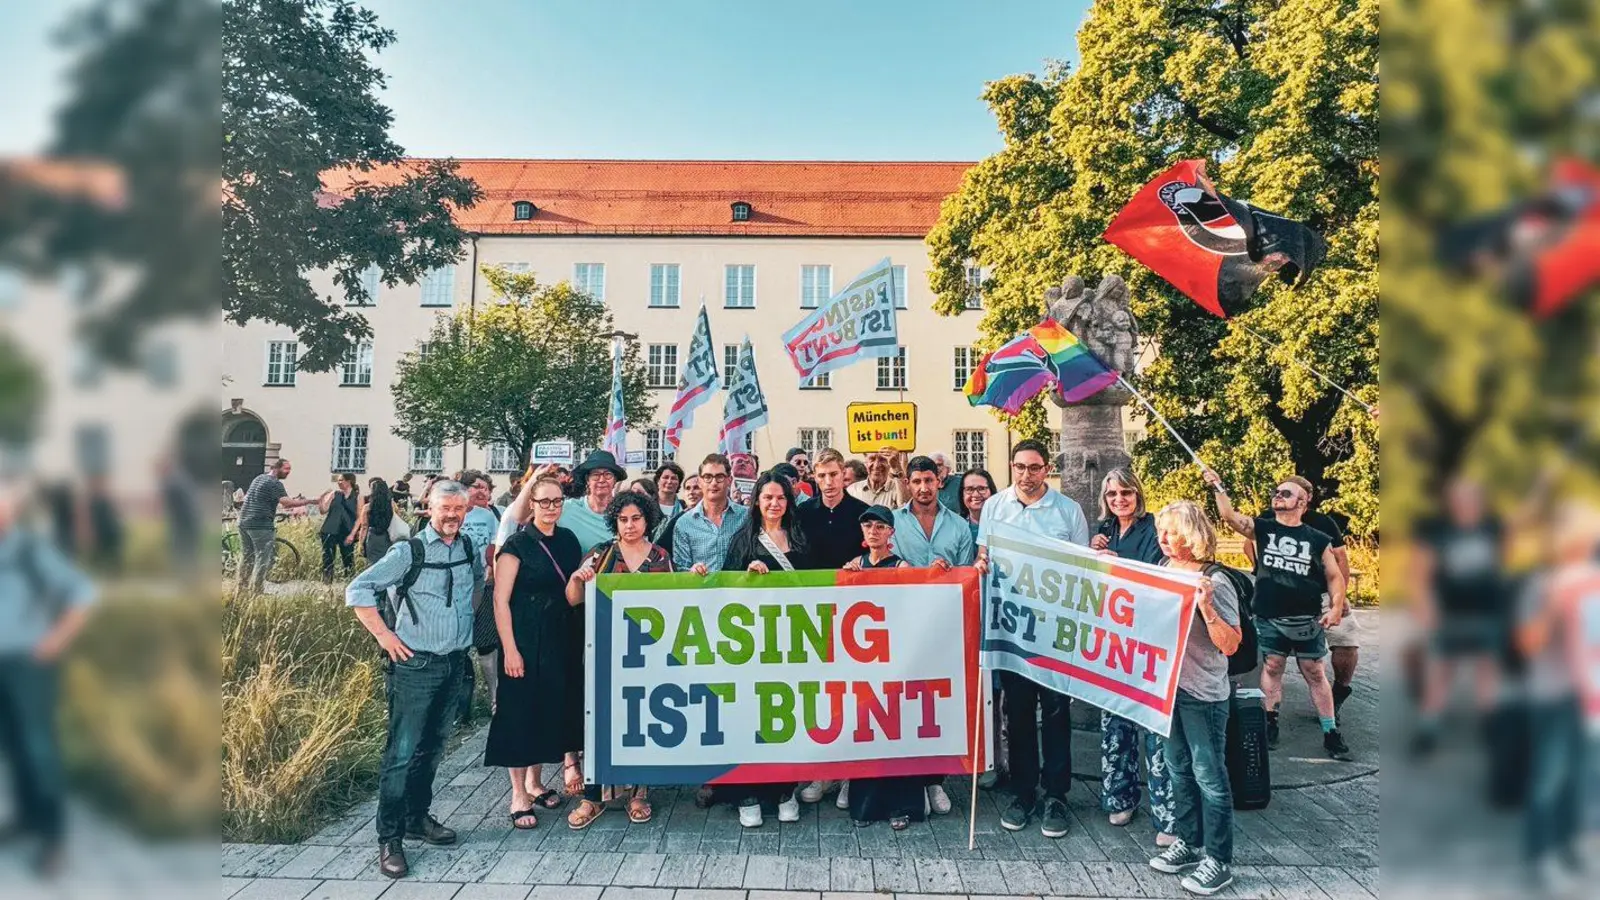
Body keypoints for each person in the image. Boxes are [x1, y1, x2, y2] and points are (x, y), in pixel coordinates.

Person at [345, 480, 485, 879]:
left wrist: (460, 629)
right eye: (446, 509)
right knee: (401, 753)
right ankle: (389, 838)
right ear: (430, 508)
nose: (453, 516)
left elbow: (475, 586)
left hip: (454, 663)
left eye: (460, 509)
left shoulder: (468, 548)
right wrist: (385, 636)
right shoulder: (409, 551)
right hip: (414, 667)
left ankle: (416, 818)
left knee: (433, 748)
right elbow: (358, 589)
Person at [974, 439, 1089, 838]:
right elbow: (984, 555)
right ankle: (1023, 792)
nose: (1027, 475)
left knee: (1056, 714)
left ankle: (1056, 794)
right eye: (1020, 467)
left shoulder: (1067, 510)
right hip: (1012, 629)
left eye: (1035, 467)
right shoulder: (995, 506)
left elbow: (1081, 568)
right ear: (1011, 467)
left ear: (1046, 469)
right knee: (1017, 714)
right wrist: (982, 563)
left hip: (1054, 631)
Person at [1203, 468, 1351, 760]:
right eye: (1276, 492)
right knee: (1272, 668)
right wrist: (1218, 486)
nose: (1278, 496)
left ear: (1303, 501)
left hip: (1306, 618)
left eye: (1286, 493)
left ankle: (1330, 731)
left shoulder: (1318, 538)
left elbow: (1334, 576)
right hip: (1269, 616)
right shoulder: (1264, 528)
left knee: (1315, 672)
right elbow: (1230, 517)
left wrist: (1335, 606)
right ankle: (1270, 721)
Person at [562, 489, 674, 829]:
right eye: (623, 519)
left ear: (647, 520)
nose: (629, 525)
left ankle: (639, 792)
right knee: (601, 723)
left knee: (641, 721)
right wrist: (577, 579)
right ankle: (593, 796)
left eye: (636, 519)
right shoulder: (600, 555)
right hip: (605, 652)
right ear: (615, 521)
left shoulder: (660, 558)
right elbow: (572, 599)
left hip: (646, 655)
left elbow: (674, 602)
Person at [1145, 501, 1242, 897]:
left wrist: (1207, 609)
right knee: (1178, 769)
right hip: (1168, 689)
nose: (1163, 539)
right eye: (1161, 533)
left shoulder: (1215, 582)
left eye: (1172, 533)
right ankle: (1190, 842)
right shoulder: (1166, 570)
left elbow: (1231, 644)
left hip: (1203, 693)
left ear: (1192, 534)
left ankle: (1218, 860)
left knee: (1209, 776)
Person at [0, 481, 96, 877]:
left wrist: (54, 642)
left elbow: (82, 594)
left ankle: (54, 839)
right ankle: (27, 819)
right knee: (14, 745)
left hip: (29, 664)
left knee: (39, 747)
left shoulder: (27, 550)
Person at [1514, 504, 1598, 893]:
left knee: (1583, 781)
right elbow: (1528, 643)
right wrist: (1554, 605)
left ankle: (1569, 848)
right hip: (1554, 696)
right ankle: (1540, 858)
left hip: (1590, 698)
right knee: (1549, 779)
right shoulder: (1542, 585)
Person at [483, 474, 574, 832]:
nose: (551, 508)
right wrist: (510, 649)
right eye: (544, 501)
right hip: (522, 636)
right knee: (518, 714)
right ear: (531, 505)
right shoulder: (517, 545)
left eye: (557, 501)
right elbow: (500, 600)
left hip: (557, 636)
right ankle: (518, 794)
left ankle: (536, 783)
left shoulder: (567, 540)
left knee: (545, 711)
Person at [720, 473, 812, 827]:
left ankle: (785, 789)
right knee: (749, 718)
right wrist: (746, 575)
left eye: (781, 498)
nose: (774, 504)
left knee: (784, 717)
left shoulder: (801, 539)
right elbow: (725, 588)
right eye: (767, 497)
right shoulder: (742, 540)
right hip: (751, 643)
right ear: (756, 501)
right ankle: (749, 791)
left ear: (789, 503)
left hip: (790, 641)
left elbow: (813, 587)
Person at [1089, 469, 1173, 843]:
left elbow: (1160, 576)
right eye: (1112, 494)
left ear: (1138, 493)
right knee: (1115, 725)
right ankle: (1120, 797)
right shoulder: (1104, 530)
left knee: (1155, 732)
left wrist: (1116, 562)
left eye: (1126, 492)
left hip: (1150, 640)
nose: (1119, 499)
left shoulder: (1156, 529)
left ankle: (1166, 813)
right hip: (1113, 642)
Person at [836, 505, 922, 829]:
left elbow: (916, 601)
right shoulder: (853, 566)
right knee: (867, 729)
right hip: (863, 657)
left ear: (891, 533)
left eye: (880, 526)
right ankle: (867, 805)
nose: (873, 531)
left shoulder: (902, 567)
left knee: (896, 729)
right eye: (868, 526)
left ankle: (903, 804)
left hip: (894, 655)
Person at [1410, 476, 1507, 755]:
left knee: (1487, 671)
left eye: (1472, 498)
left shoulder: (1492, 526)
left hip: (1487, 612)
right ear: (1451, 502)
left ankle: (1489, 726)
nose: (1467, 504)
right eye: (1461, 499)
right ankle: (1428, 729)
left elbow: (1497, 566)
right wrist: (1425, 607)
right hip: (1449, 615)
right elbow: (1420, 572)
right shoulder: (1436, 530)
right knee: (1441, 672)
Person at [1301, 497, 1357, 715]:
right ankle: (1267, 711)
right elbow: (1250, 543)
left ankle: (1339, 691)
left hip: (1323, 592)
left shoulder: (1322, 522)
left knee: (1347, 639)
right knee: (1266, 651)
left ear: (1306, 498)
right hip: (1283, 594)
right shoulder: (1269, 517)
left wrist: (1340, 597)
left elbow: (1341, 557)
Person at [456, 470, 504, 722]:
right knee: (458, 648)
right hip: (455, 588)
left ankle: (495, 696)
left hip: (484, 586)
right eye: (476, 487)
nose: (481, 491)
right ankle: (461, 707)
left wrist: (491, 567)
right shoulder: (454, 512)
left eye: (485, 488)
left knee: (486, 644)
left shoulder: (488, 516)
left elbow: (497, 544)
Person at [235, 458, 318, 592]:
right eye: (286, 469)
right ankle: (256, 591)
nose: (288, 472)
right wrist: (310, 501)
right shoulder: (274, 483)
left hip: (244, 522)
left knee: (247, 557)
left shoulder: (259, 478)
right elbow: (286, 502)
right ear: (276, 468)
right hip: (260, 524)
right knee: (262, 558)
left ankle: (241, 590)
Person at [890, 455, 976, 571]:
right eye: (916, 482)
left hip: (948, 588)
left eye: (929, 480)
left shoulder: (960, 525)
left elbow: (965, 574)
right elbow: (889, 567)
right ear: (907, 484)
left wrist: (947, 572)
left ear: (939, 482)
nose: (924, 488)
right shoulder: (892, 522)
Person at [672, 454, 749, 575]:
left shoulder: (746, 516)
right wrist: (692, 571)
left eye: (720, 477)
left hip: (738, 590)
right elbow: (680, 568)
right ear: (700, 481)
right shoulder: (684, 523)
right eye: (708, 477)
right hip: (701, 590)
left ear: (729, 480)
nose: (714, 483)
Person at [320, 473, 361, 582]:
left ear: (349, 481)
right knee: (328, 558)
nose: (338, 482)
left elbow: (359, 518)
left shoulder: (357, 497)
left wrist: (352, 534)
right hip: (330, 529)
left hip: (347, 531)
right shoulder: (334, 494)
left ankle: (349, 582)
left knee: (348, 559)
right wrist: (322, 498)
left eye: (341, 480)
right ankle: (327, 582)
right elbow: (323, 510)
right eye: (338, 480)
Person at [354, 477, 399, 564]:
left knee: (373, 564)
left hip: (373, 537)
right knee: (387, 562)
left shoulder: (367, 507)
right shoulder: (392, 505)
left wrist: (360, 544)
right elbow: (397, 519)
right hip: (388, 536)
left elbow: (364, 527)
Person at [960, 469, 996, 542]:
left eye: (982, 489)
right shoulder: (955, 526)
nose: (976, 494)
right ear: (962, 494)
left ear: (991, 492)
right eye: (969, 489)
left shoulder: (1005, 525)